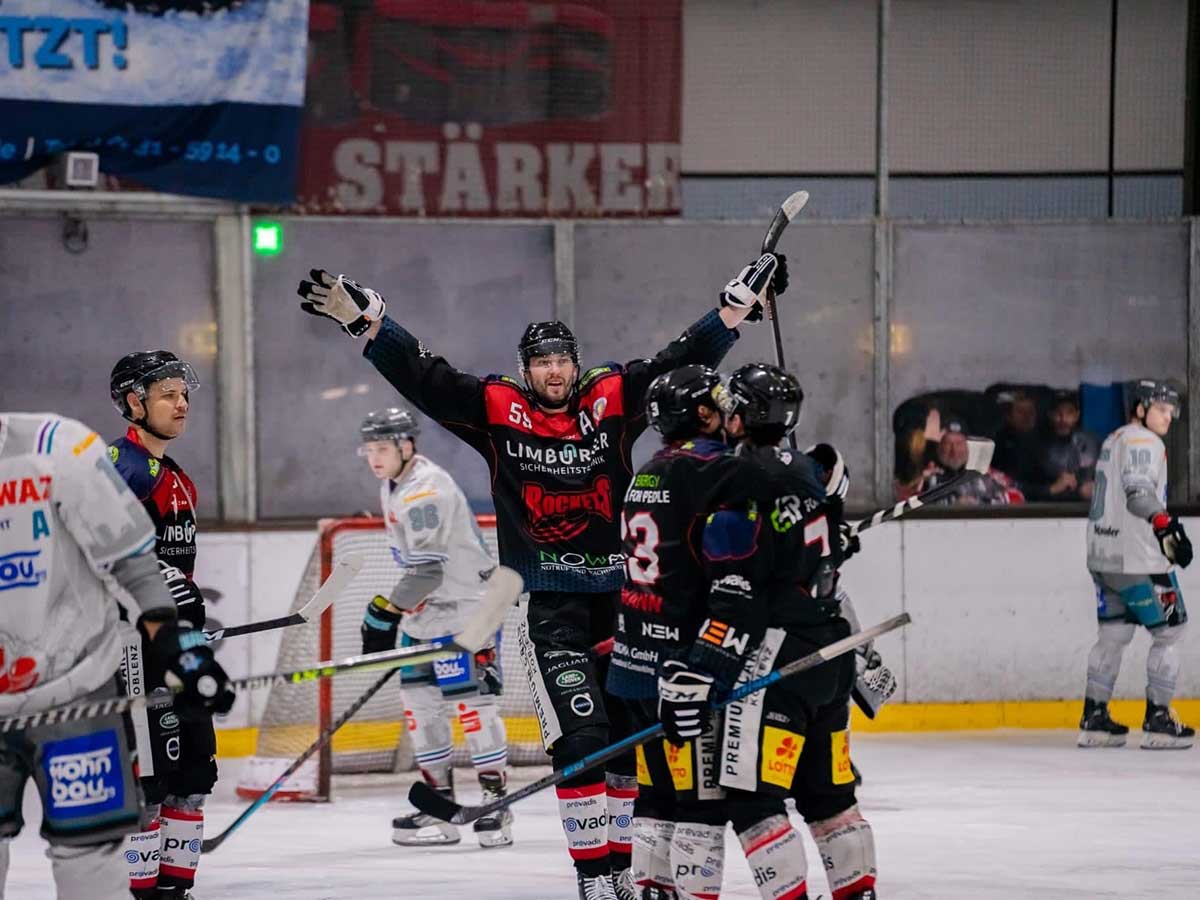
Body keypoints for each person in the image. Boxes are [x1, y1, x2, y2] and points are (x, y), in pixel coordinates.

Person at [296, 252, 788, 899]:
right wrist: (370, 323)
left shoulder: (609, 396)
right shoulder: (498, 408)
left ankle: (622, 876)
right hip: (553, 608)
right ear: (526, 369)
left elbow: (679, 362)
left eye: (562, 359)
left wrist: (732, 312)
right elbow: (427, 379)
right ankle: (594, 883)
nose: (554, 371)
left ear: (574, 362)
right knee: (583, 740)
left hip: (624, 604)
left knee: (624, 746)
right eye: (542, 362)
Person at [0, 411, 233, 900]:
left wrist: (176, 645)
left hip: (76, 693)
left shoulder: (59, 446)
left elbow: (132, 561)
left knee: (90, 860)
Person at [603, 365, 774, 900]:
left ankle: (654, 890)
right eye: (722, 403)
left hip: (635, 665)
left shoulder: (648, 472)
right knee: (701, 803)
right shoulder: (719, 472)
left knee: (655, 796)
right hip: (684, 668)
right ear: (703, 413)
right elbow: (733, 578)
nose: (730, 412)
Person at [720, 364, 878, 900]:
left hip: (779, 658)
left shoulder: (739, 476)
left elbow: (739, 573)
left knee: (752, 800)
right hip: (831, 651)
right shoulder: (813, 470)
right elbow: (825, 533)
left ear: (743, 415)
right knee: (829, 796)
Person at [354, 407, 513, 848]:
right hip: (425, 614)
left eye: (383, 448)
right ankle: (439, 807)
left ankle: (495, 806)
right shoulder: (394, 483)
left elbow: (427, 570)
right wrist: (393, 612)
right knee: (420, 709)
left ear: (407, 445)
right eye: (369, 449)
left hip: (468, 612)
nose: (374, 457)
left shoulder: (425, 490)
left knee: (473, 708)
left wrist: (383, 611)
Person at [108, 351, 217, 898]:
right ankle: (142, 892)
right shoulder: (120, 470)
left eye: (183, 393)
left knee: (194, 777)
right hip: (134, 654)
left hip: (174, 648)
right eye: (168, 394)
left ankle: (176, 890)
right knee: (147, 782)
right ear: (134, 402)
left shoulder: (174, 475)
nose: (182, 403)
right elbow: (101, 561)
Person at [1080, 379, 1193, 749]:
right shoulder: (1145, 442)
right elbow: (1138, 494)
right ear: (1141, 408)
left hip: (1103, 557)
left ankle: (1094, 719)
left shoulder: (1115, 438)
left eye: (1171, 412)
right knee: (1170, 631)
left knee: (1113, 636)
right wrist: (1164, 525)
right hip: (1138, 559)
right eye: (1161, 409)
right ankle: (1159, 720)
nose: (1168, 418)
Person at [921, 419, 1021, 506]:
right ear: (939, 448)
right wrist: (952, 504)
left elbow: (1017, 498)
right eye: (947, 444)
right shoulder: (926, 479)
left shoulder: (988, 476)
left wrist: (978, 505)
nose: (954, 450)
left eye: (959, 444)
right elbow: (909, 505)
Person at [1023, 390, 1098, 502]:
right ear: (1050, 414)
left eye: (1069, 413)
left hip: (1085, 512)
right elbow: (1020, 489)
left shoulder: (1092, 443)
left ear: (1077, 415)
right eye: (1058, 413)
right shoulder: (1035, 447)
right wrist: (1051, 489)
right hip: (1049, 511)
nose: (1063, 419)